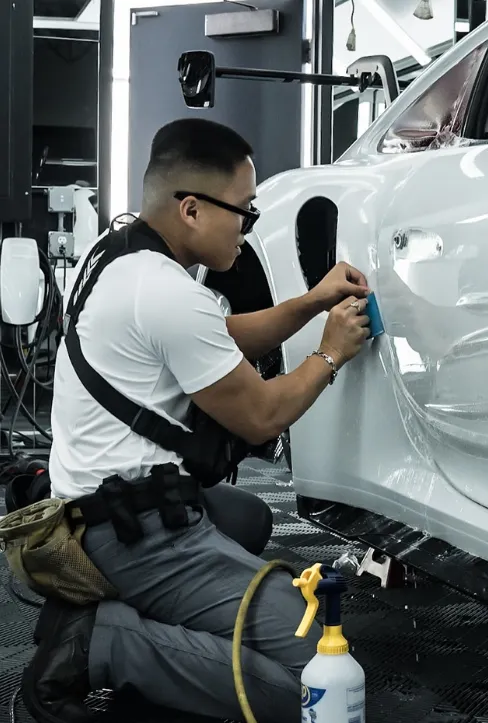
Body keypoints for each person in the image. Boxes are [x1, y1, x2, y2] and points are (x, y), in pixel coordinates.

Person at [22, 117, 373, 723]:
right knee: (319, 676)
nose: (249, 226)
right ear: (191, 210)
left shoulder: (118, 252)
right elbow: (263, 417)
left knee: (247, 515)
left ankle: (141, 621)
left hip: (90, 509)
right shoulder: (165, 291)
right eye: (245, 210)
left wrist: (312, 301)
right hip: (135, 532)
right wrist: (331, 350)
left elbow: (219, 337)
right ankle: (101, 643)